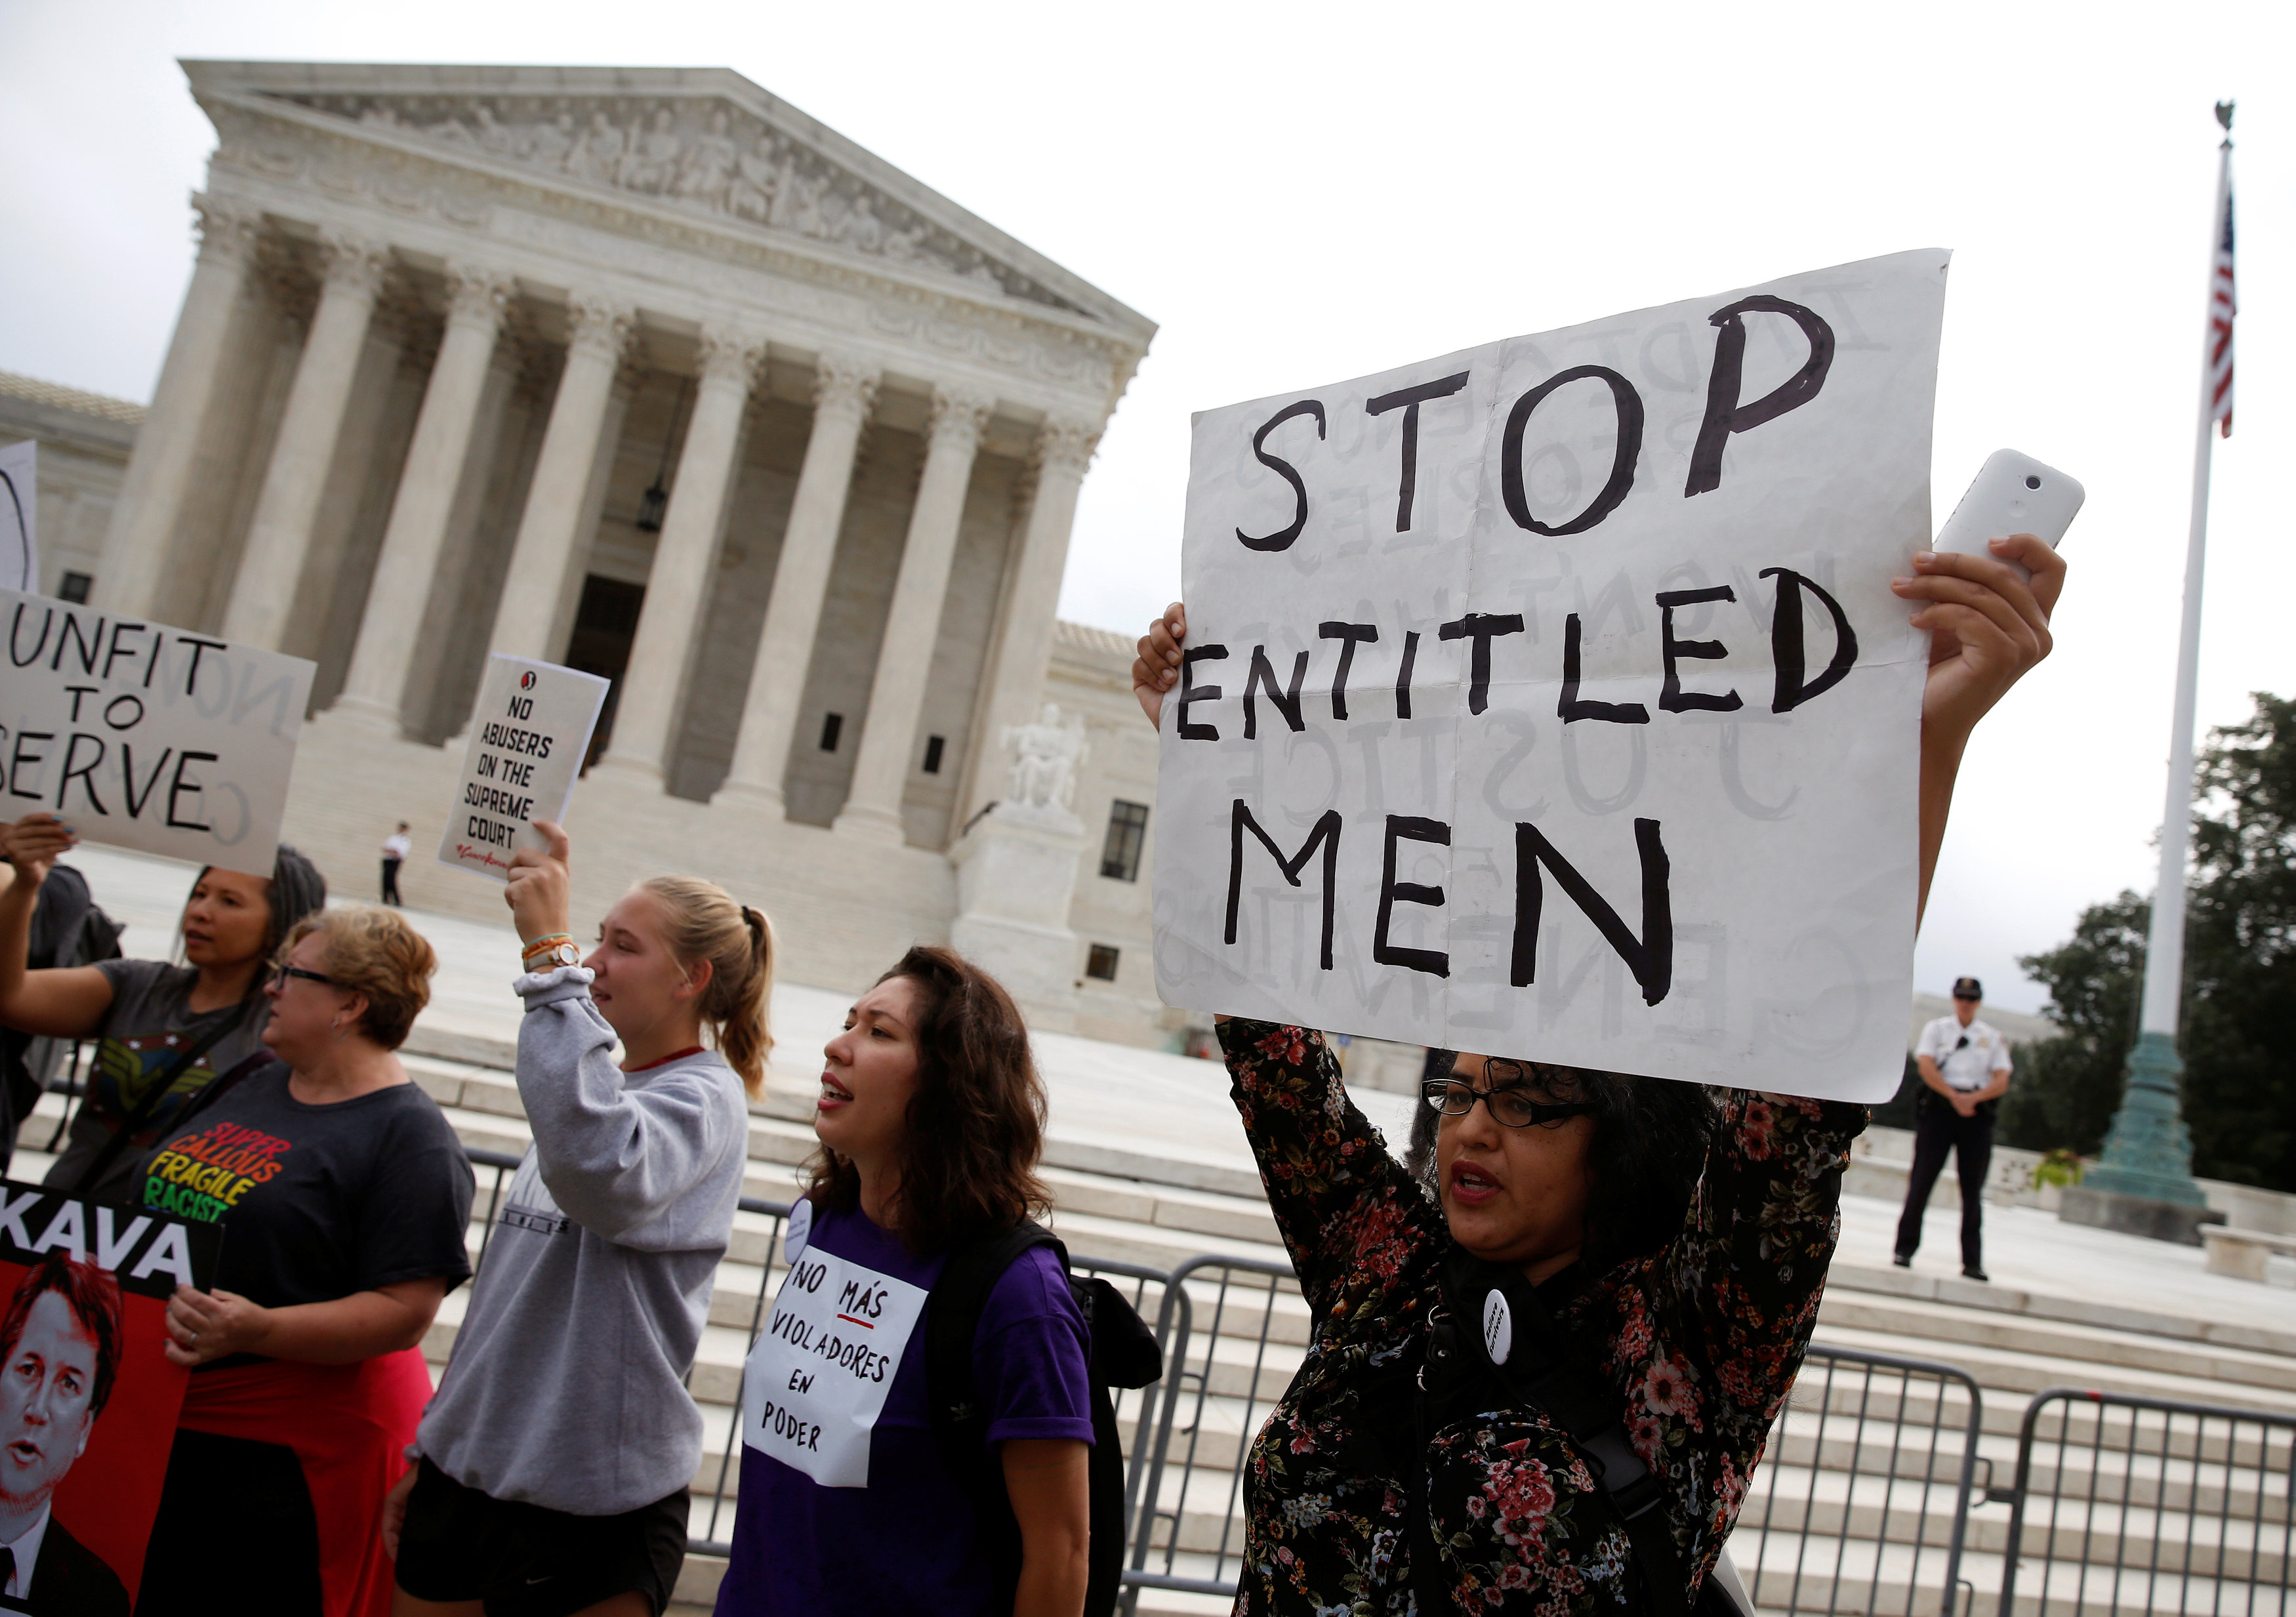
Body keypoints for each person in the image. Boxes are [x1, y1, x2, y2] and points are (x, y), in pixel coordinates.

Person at [1125, 532, 2064, 1610]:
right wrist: (1200, 750)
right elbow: (1276, 1054)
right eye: (1462, 1092)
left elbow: (1796, 1098)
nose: (1470, 1130)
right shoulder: (1391, 1279)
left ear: (1625, 1137)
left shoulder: (1692, 1348)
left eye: (1527, 1105)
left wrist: (1923, 732)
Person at [386, 822, 774, 1617]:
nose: (592, 959)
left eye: (622, 944)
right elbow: (503, 1302)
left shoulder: (702, 1100)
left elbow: (601, 1173)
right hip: (469, 1475)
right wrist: (435, 1444)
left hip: (593, 1503)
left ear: (689, 979)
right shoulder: (590, 1085)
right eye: (594, 937)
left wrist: (547, 959)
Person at [709, 946, 1096, 1617]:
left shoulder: (1019, 1295)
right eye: (849, 1021)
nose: (836, 1045)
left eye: (878, 1032)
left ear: (951, 1083)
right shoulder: (824, 1226)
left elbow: (1060, 1552)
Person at [138, 905, 476, 1617]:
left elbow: (404, 1310)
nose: (270, 988)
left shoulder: (411, 1139)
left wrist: (259, 1328)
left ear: (349, 1004)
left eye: (290, 974)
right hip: (167, 1425)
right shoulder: (256, 1073)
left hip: (283, 1464)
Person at [0, 812, 327, 1201]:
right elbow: (11, 999)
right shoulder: (135, 986)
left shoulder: (283, 1032)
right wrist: (26, 885)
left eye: (229, 901)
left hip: (168, 1250)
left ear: (280, 925)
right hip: (61, 1226)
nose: (201, 911)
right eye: (200, 893)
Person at [0, 1250, 131, 1616]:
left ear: (86, 1426)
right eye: (29, 1368)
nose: (38, 1410)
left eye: (68, 1383)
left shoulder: (99, 1597)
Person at [1895, 975, 2013, 1281]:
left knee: (1973, 1189)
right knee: (1922, 1179)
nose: (1965, 1003)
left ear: (1979, 1002)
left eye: (1971, 998)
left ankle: (1972, 1261)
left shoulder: (1990, 1036)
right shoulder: (1937, 1029)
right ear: (1953, 998)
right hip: (1940, 1111)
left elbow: (2001, 1078)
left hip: (1976, 1114)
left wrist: (1973, 1099)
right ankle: (1904, 1249)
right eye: (1961, 997)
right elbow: (1925, 1066)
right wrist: (1954, 1097)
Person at [382, 825, 413, 909]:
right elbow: (386, 848)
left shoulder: (406, 840)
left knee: (392, 880)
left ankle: (397, 900)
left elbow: (400, 853)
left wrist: (393, 851)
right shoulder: (393, 838)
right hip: (388, 860)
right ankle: (385, 898)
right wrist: (393, 851)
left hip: (395, 862)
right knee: (385, 879)